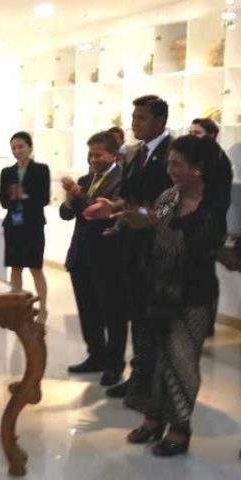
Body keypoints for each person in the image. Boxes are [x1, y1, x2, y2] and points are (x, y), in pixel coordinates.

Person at [120, 135, 227, 457]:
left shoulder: (214, 204)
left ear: (198, 169)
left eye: (177, 164)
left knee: (181, 362)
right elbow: (152, 221)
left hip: (193, 295)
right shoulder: (169, 196)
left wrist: (154, 224)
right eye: (169, 163)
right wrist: (130, 217)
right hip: (158, 290)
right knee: (154, 358)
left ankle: (180, 427)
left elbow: (204, 244)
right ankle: (154, 418)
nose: (170, 170)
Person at [102, 95, 173, 407]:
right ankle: (139, 377)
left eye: (141, 118)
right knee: (139, 316)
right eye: (133, 117)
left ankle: (153, 384)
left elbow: (175, 200)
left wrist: (148, 216)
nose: (134, 123)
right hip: (134, 249)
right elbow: (131, 198)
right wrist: (114, 209)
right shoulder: (137, 153)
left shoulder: (173, 154)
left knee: (155, 319)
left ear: (160, 121)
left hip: (159, 249)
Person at [60, 131, 125, 386]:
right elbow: (66, 214)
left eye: (99, 155)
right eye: (90, 154)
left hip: (108, 256)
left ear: (113, 155)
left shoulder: (121, 181)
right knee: (88, 311)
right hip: (81, 255)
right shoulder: (86, 179)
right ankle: (95, 355)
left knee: (113, 313)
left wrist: (79, 195)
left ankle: (114, 364)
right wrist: (70, 199)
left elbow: (98, 213)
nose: (93, 159)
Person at [188, 117, 233, 336]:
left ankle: (205, 325)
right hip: (197, 225)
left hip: (209, 226)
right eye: (190, 133)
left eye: (197, 133)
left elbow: (213, 198)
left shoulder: (217, 160)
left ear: (212, 135)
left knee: (204, 276)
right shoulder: (201, 158)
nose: (192, 137)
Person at [0, 131, 50, 321]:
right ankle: (17, 308)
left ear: (30, 147)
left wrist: (24, 195)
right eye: (14, 148)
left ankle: (43, 309)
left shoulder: (41, 169)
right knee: (15, 269)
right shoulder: (7, 172)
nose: (17, 151)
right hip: (13, 226)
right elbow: (3, 200)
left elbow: (44, 198)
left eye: (21, 146)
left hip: (33, 226)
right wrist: (12, 196)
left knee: (36, 268)